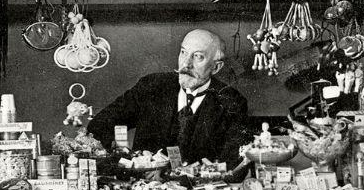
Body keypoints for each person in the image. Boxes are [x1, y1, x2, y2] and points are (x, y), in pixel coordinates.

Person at [88, 29, 251, 165]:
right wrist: (124, 160)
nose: (185, 64)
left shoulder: (232, 102)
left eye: (198, 56)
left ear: (216, 67)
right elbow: (99, 125)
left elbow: (232, 162)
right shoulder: (151, 86)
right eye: (183, 52)